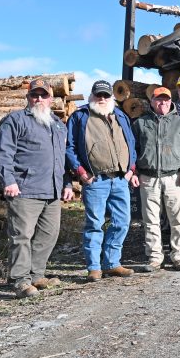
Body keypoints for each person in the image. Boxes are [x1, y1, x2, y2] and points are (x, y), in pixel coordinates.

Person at [0, 79, 73, 298]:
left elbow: (61, 159)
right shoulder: (15, 120)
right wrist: (8, 180)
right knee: (21, 235)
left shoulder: (58, 124)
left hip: (53, 190)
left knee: (49, 234)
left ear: (50, 98)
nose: (39, 99)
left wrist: (67, 183)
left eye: (43, 95)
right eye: (34, 95)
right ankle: (20, 280)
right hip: (24, 189)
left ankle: (36, 275)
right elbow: (3, 153)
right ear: (28, 97)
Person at [65, 80, 136, 282]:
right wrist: (80, 171)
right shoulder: (80, 116)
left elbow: (130, 142)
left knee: (122, 222)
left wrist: (131, 168)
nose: (102, 99)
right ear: (92, 95)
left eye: (106, 95)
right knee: (95, 224)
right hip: (95, 180)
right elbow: (69, 147)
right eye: (99, 95)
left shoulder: (120, 114)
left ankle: (112, 263)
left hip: (120, 179)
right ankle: (94, 267)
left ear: (112, 96)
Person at [131, 87, 180, 272]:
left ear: (171, 102)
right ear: (152, 101)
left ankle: (179, 256)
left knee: (178, 219)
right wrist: (134, 171)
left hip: (174, 177)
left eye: (166, 100)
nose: (163, 103)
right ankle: (154, 257)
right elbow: (132, 150)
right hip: (148, 177)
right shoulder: (140, 123)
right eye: (159, 100)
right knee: (150, 220)